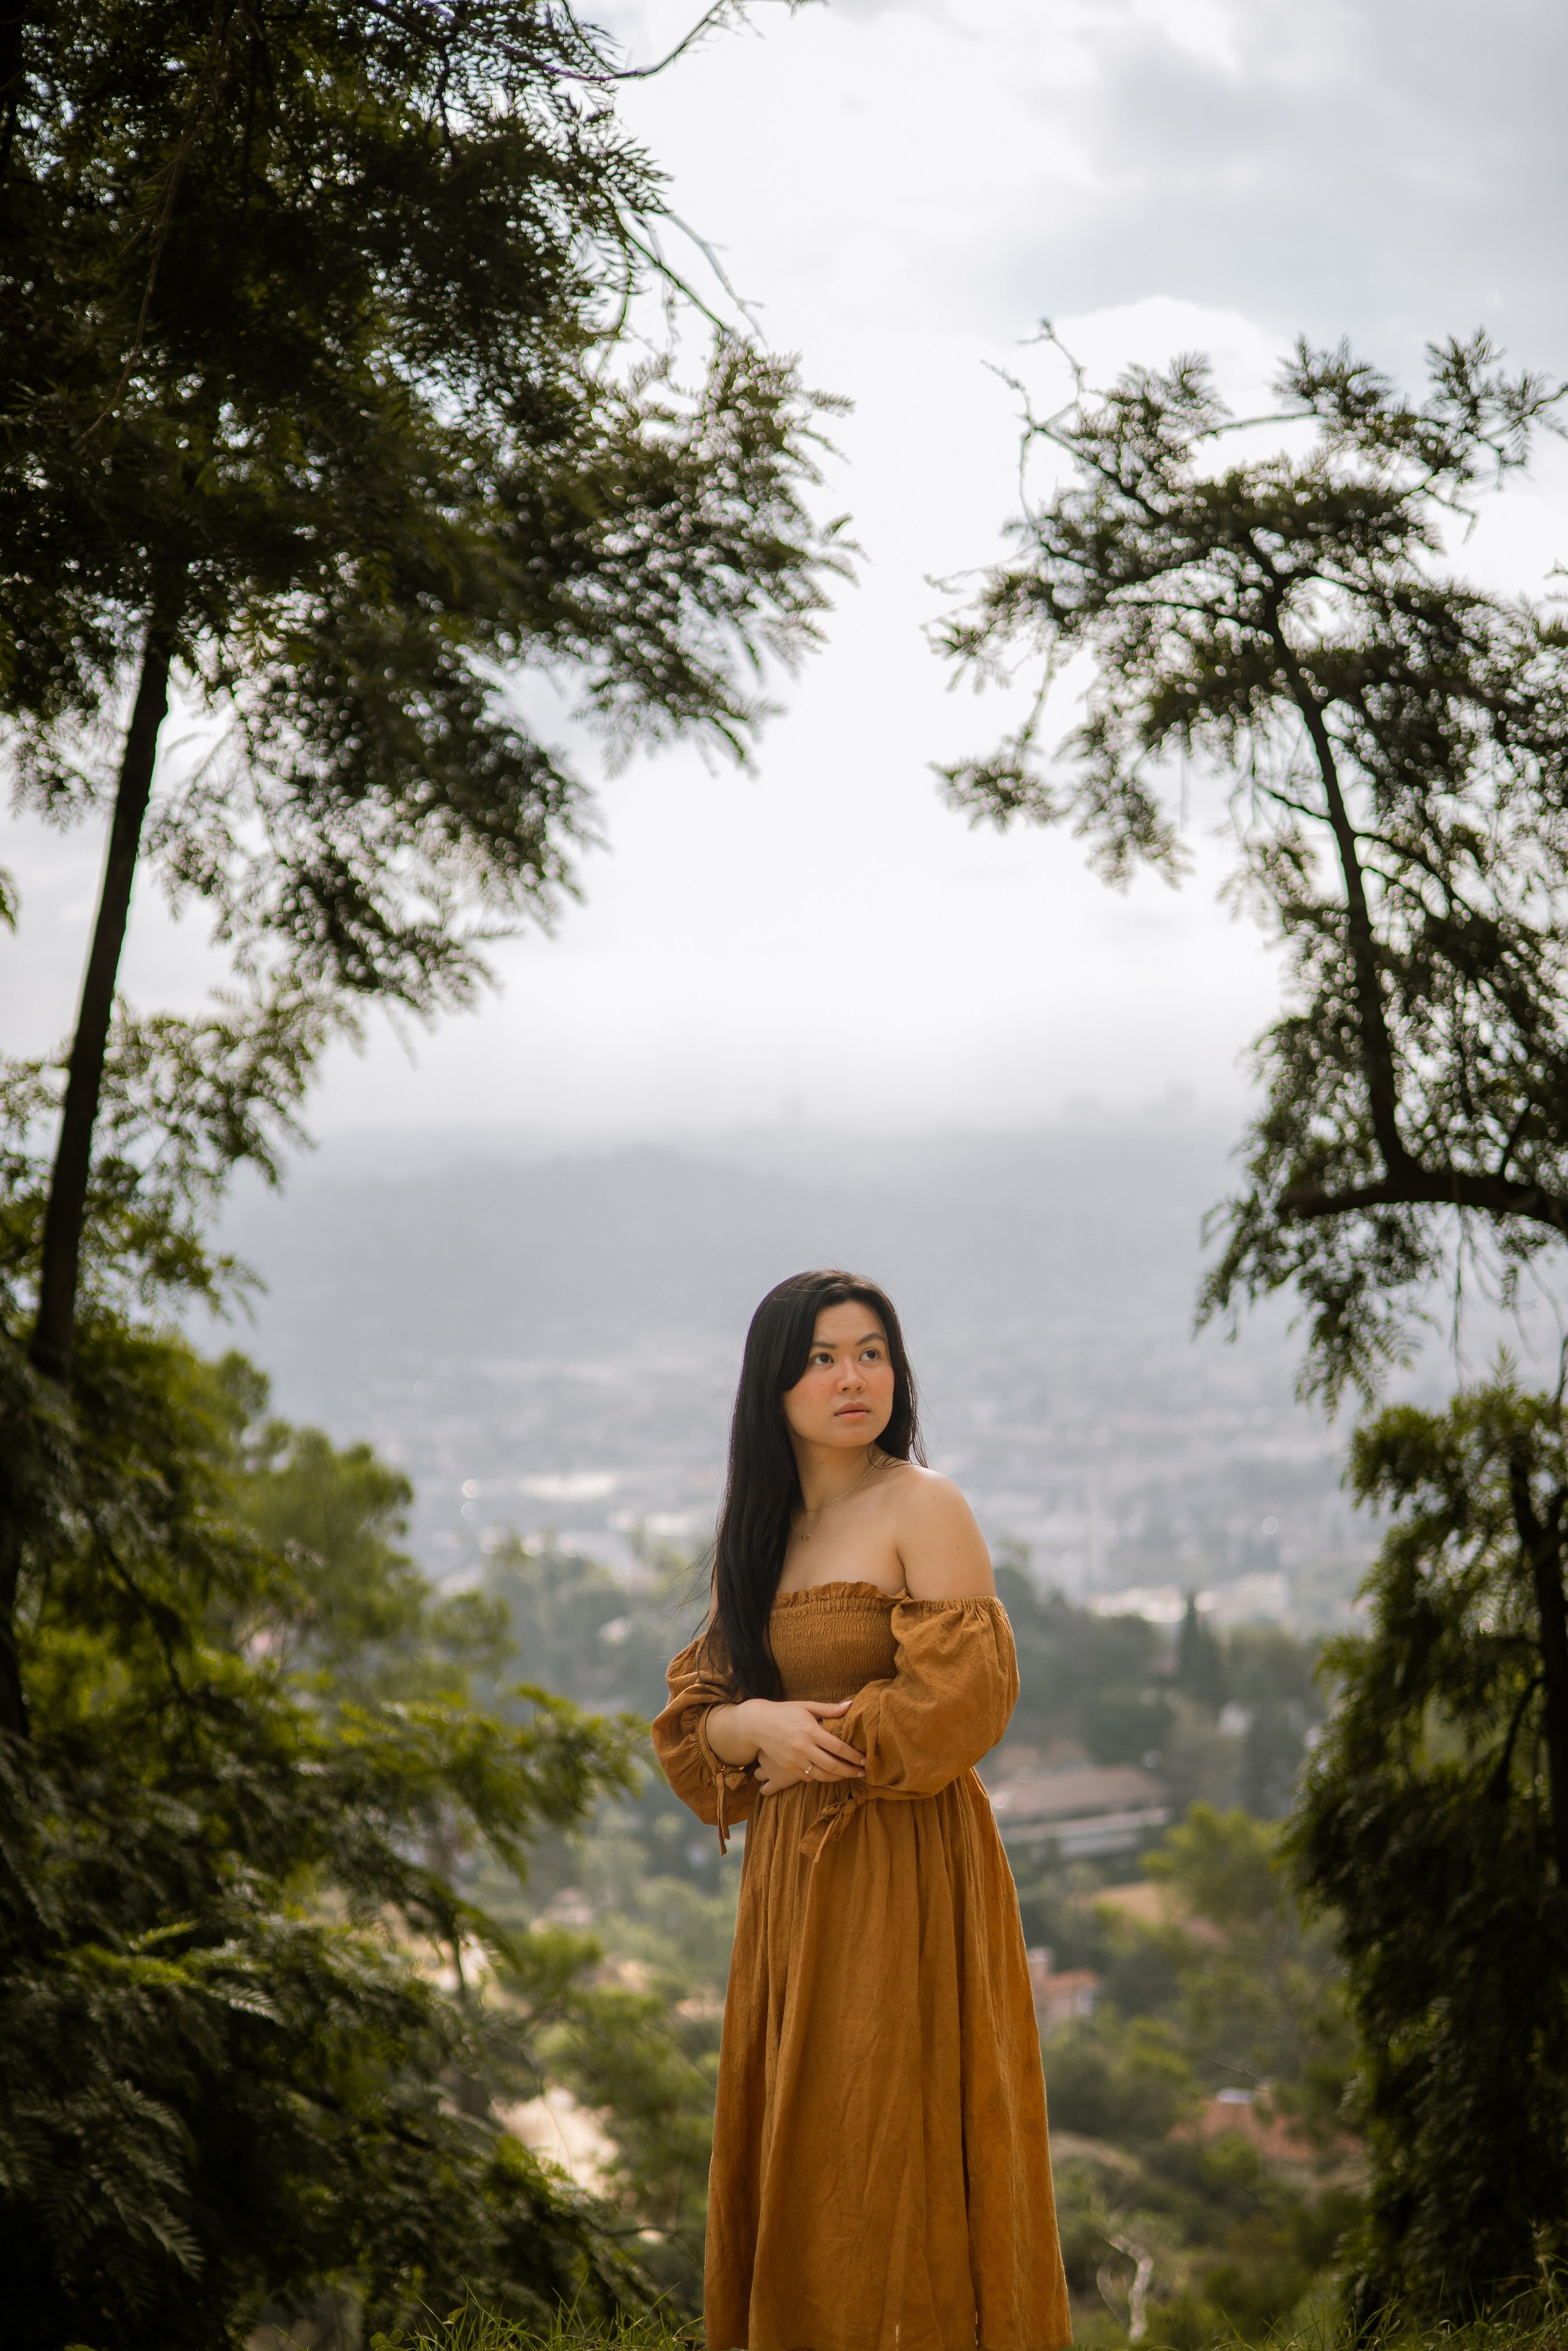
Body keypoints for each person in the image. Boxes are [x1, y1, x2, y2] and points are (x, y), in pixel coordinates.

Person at [652, 1269, 1071, 2351]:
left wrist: (815, 1740)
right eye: (826, 1356)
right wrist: (760, 1731)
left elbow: (963, 1701)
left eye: (873, 1351)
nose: (855, 1377)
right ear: (775, 1384)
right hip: (794, 1877)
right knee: (813, 2137)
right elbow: (698, 1722)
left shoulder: (925, 1504)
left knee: (898, 2126)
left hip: (908, 1859)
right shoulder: (764, 1530)